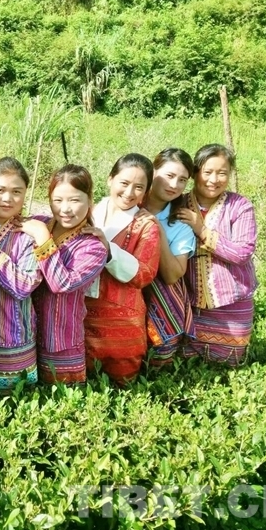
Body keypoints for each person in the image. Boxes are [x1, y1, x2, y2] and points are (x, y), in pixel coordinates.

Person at [0, 157, 47, 393]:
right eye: (0, 190)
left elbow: (23, 285)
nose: (7, 198)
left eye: (16, 191)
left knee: (14, 401)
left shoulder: (28, 233)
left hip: (11, 336)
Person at [177, 144, 258, 366]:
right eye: (207, 172)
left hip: (232, 299)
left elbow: (242, 252)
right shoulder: (178, 203)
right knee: (186, 362)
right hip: (190, 300)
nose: (214, 180)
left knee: (230, 360)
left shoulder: (240, 206)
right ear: (195, 173)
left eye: (222, 173)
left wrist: (201, 229)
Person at [84, 154, 160, 385]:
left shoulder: (146, 225)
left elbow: (145, 273)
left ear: (146, 191)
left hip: (121, 320)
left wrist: (109, 249)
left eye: (139, 187)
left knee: (122, 385)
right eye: (124, 183)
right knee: (80, 386)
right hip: (82, 314)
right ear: (110, 179)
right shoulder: (89, 212)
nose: (129, 193)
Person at [32, 165, 108, 385]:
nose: (65, 209)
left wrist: (42, 238)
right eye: (57, 200)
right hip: (23, 336)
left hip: (60, 340)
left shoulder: (93, 247)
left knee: (62, 398)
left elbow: (62, 284)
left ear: (90, 200)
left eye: (74, 200)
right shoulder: (39, 222)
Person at [142, 148, 197, 369]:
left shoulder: (180, 224)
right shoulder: (128, 202)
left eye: (182, 180)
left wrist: (157, 229)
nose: (174, 185)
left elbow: (173, 275)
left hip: (156, 296)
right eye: (169, 175)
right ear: (153, 172)